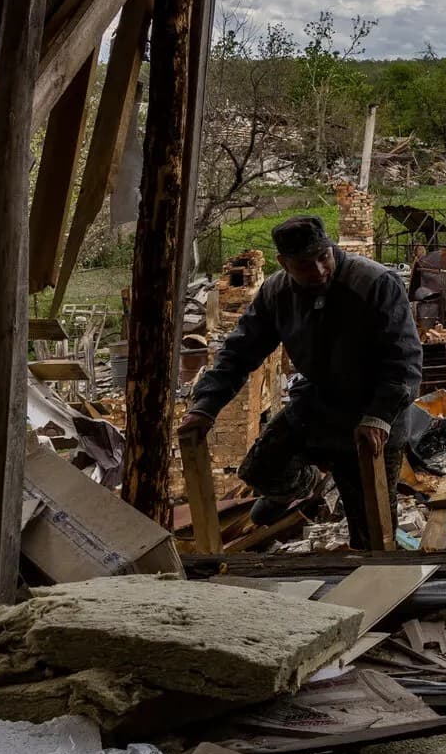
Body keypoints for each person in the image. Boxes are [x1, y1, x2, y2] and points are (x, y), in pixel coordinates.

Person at [178, 214, 421, 548]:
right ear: (284, 263)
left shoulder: (374, 283)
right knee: (262, 470)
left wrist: (380, 415)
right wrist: (206, 406)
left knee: (371, 529)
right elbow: (239, 352)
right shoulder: (276, 293)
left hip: (375, 409)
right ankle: (311, 485)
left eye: (324, 257)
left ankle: (372, 567)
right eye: (306, 264)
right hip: (318, 404)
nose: (319, 270)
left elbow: (403, 360)